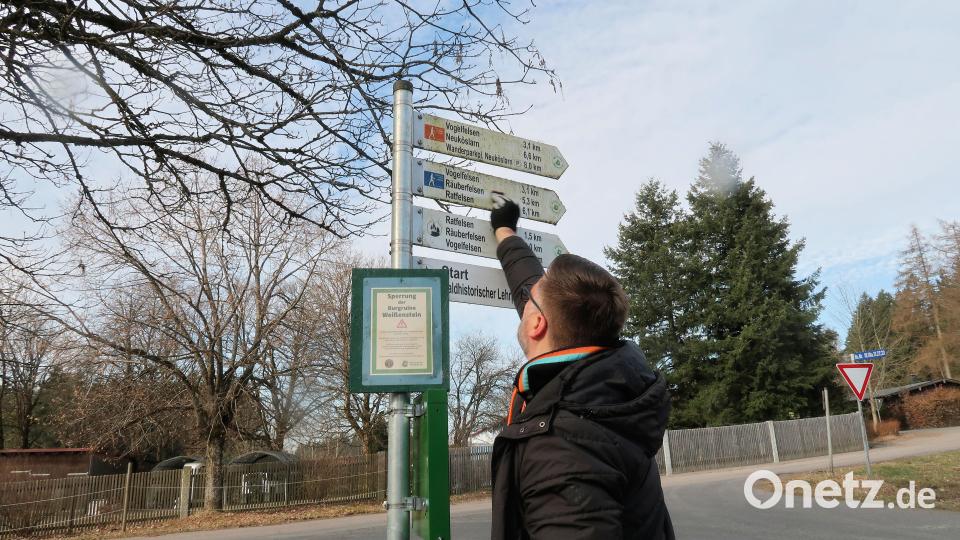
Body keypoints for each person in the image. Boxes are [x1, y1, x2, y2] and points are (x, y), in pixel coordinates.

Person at [489, 198, 675, 540]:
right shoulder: (605, 385)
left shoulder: (562, 449)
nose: (525, 296)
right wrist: (505, 231)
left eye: (531, 299)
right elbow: (532, 290)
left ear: (537, 325)